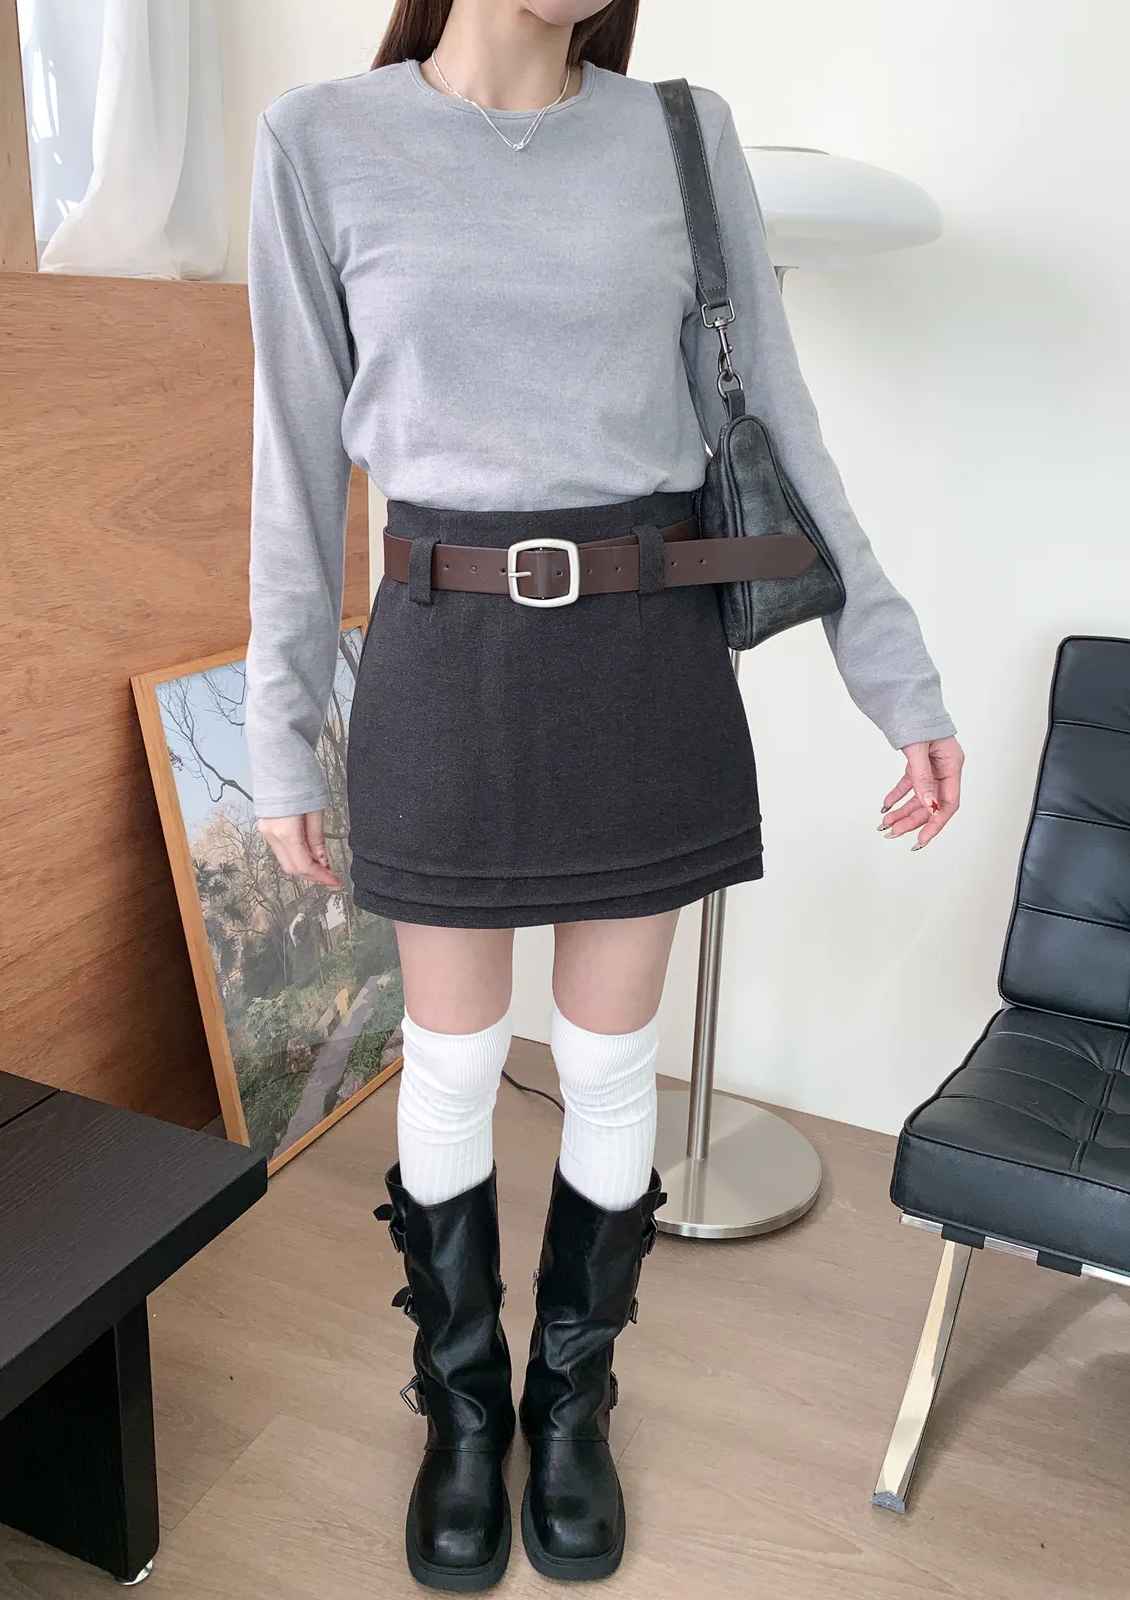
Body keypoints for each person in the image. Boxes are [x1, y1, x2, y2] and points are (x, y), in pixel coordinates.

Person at [243, 0, 964, 1588]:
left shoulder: (681, 137)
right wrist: (280, 729)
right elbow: (290, 465)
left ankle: (572, 1403)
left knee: (607, 1061)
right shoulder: (321, 143)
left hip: (645, 660)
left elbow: (784, 431)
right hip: (442, 657)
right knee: (451, 1062)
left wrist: (896, 678)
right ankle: (461, 1406)